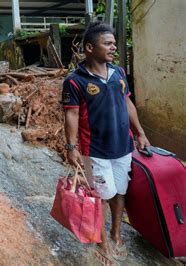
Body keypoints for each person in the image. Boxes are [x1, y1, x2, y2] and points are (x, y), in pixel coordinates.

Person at [62, 22, 150, 262]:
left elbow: (128, 104)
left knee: (120, 191)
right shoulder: (74, 81)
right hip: (94, 151)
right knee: (100, 195)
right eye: (108, 43)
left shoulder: (119, 72)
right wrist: (72, 147)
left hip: (123, 146)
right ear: (90, 47)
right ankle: (101, 241)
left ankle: (116, 233)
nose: (113, 47)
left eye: (114, 43)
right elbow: (70, 114)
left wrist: (140, 133)